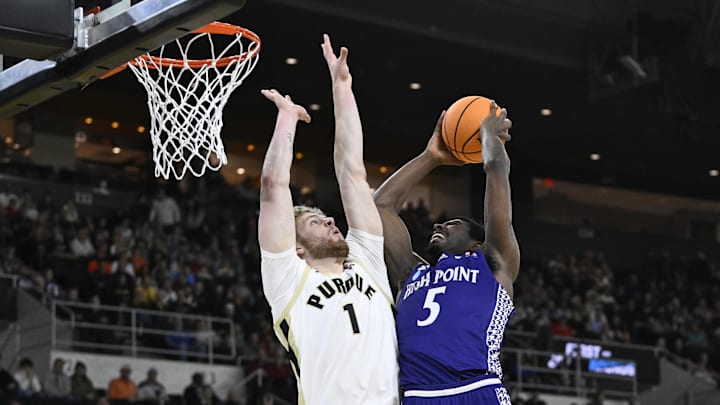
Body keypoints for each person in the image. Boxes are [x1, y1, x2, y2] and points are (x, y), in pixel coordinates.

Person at [257, 34, 398, 404]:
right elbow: (273, 186)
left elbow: (352, 170)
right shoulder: (288, 279)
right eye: (316, 222)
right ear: (298, 248)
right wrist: (287, 118)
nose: (331, 221)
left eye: (326, 218)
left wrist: (342, 87)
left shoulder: (367, 262)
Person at [373, 101, 519, 403]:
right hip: (418, 395)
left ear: (475, 243)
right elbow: (379, 207)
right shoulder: (411, 272)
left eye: (453, 224)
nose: (439, 224)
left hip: (477, 390)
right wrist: (431, 157)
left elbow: (496, 171)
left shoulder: (493, 261)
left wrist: (488, 135)